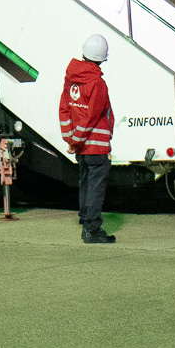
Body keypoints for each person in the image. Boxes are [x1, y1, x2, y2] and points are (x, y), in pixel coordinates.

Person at [59, 33, 116, 244]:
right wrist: (78, 139)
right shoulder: (98, 84)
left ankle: (85, 219)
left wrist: (71, 140)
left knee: (84, 183)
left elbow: (65, 108)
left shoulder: (71, 79)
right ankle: (92, 229)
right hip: (96, 146)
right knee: (95, 187)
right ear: (102, 58)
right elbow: (93, 116)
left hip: (80, 147)